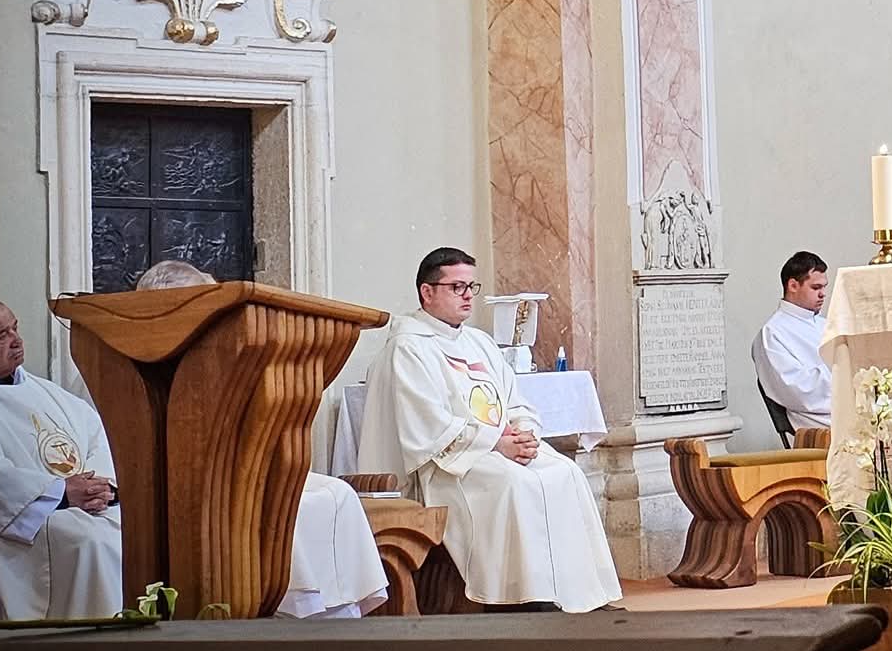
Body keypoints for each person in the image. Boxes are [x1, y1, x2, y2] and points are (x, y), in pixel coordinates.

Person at [359, 247, 621, 612]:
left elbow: (515, 401)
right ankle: (522, 598)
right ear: (427, 292)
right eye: (457, 287)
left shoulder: (478, 342)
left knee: (567, 473)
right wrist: (496, 443)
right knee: (514, 484)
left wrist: (525, 432)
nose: (468, 295)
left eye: (471, 286)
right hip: (448, 467)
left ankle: (579, 596)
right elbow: (427, 426)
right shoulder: (407, 348)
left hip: (494, 448)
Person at [134, 259, 389, 618]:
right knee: (282, 505)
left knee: (336, 494)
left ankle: (335, 614)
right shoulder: (133, 360)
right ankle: (292, 610)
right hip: (188, 482)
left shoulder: (220, 353)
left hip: (242, 467)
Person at [0, 298, 123, 621]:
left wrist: (100, 489)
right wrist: (61, 493)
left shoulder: (50, 394)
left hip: (80, 509)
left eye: (15, 328)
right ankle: (85, 644)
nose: (16, 341)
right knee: (88, 542)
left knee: (128, 532)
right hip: (20, 528)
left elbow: (97, 437)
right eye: (1, 336)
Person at [753, 251, 832, 430]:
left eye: (824, 287)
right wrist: (843, 374)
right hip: (815, 423)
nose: (822, 294)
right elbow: (797, 390)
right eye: (815, 288)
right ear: (793, 285)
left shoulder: (827, 325)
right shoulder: (772, 333)